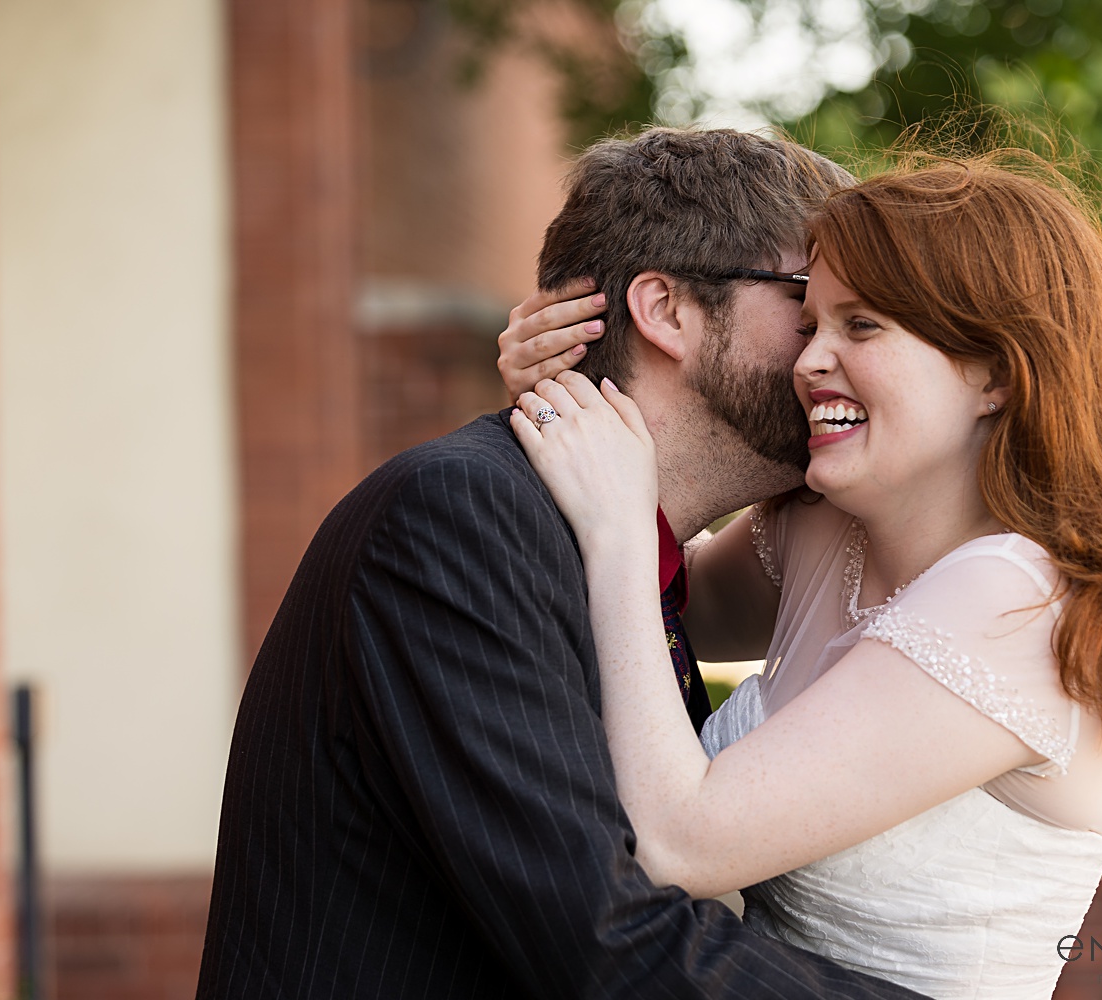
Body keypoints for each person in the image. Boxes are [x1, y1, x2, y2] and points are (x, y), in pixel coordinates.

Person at [194, 127, 929, 999]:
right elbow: (608, 939)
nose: (828, 357)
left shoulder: (600, 543)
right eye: (810, 307)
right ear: (665, 312)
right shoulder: (460, 519)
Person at [506, 151, 1102, 999]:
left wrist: (620, 520)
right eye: (809, 322)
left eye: (861, 327)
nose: (810, 360)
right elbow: (655, 611)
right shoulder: (826, 529)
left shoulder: (1016, 601)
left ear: (996, 372)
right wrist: (578, 395)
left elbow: (678, 845)